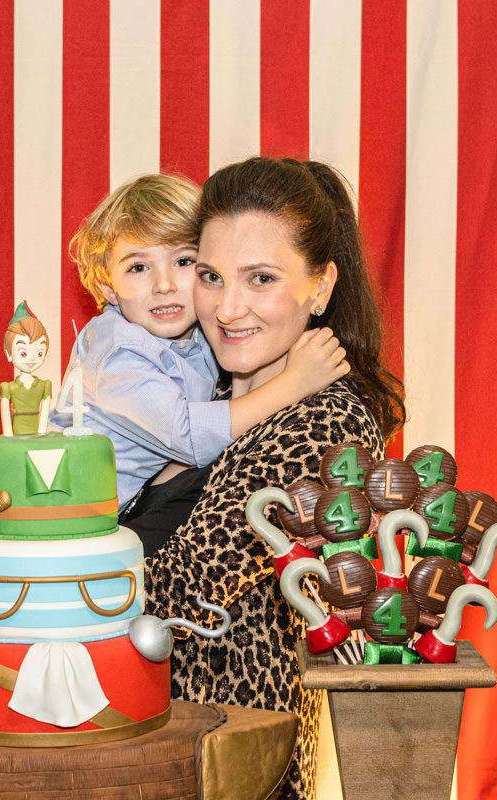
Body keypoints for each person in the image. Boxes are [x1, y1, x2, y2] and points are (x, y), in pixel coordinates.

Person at [140, 157, 405, 800]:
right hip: (146, 753)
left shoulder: (327, 422)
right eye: (211, 276)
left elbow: (183, 590)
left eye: (260, 278)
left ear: (321, 287)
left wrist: (45, 581)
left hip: (230, 768)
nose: (228, 308)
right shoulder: (198, 400)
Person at [50, 173, 347, 511]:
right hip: (62, 517)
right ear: (107, 286)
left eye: (183, 262)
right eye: (138, 267)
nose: (163, 285)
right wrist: (294, 383)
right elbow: (189, 436)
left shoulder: (200, 333)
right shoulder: (118, 353)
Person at [0, 302, 52, 436]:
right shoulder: (8, 387)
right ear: (8, 353)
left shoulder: (44, 386)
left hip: (37, 438)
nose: (32, 359)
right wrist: (8, 436)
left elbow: (44, 416)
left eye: (39, 353)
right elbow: (6, 422)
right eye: (23, 353)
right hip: (17, 437)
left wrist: (41, 433)